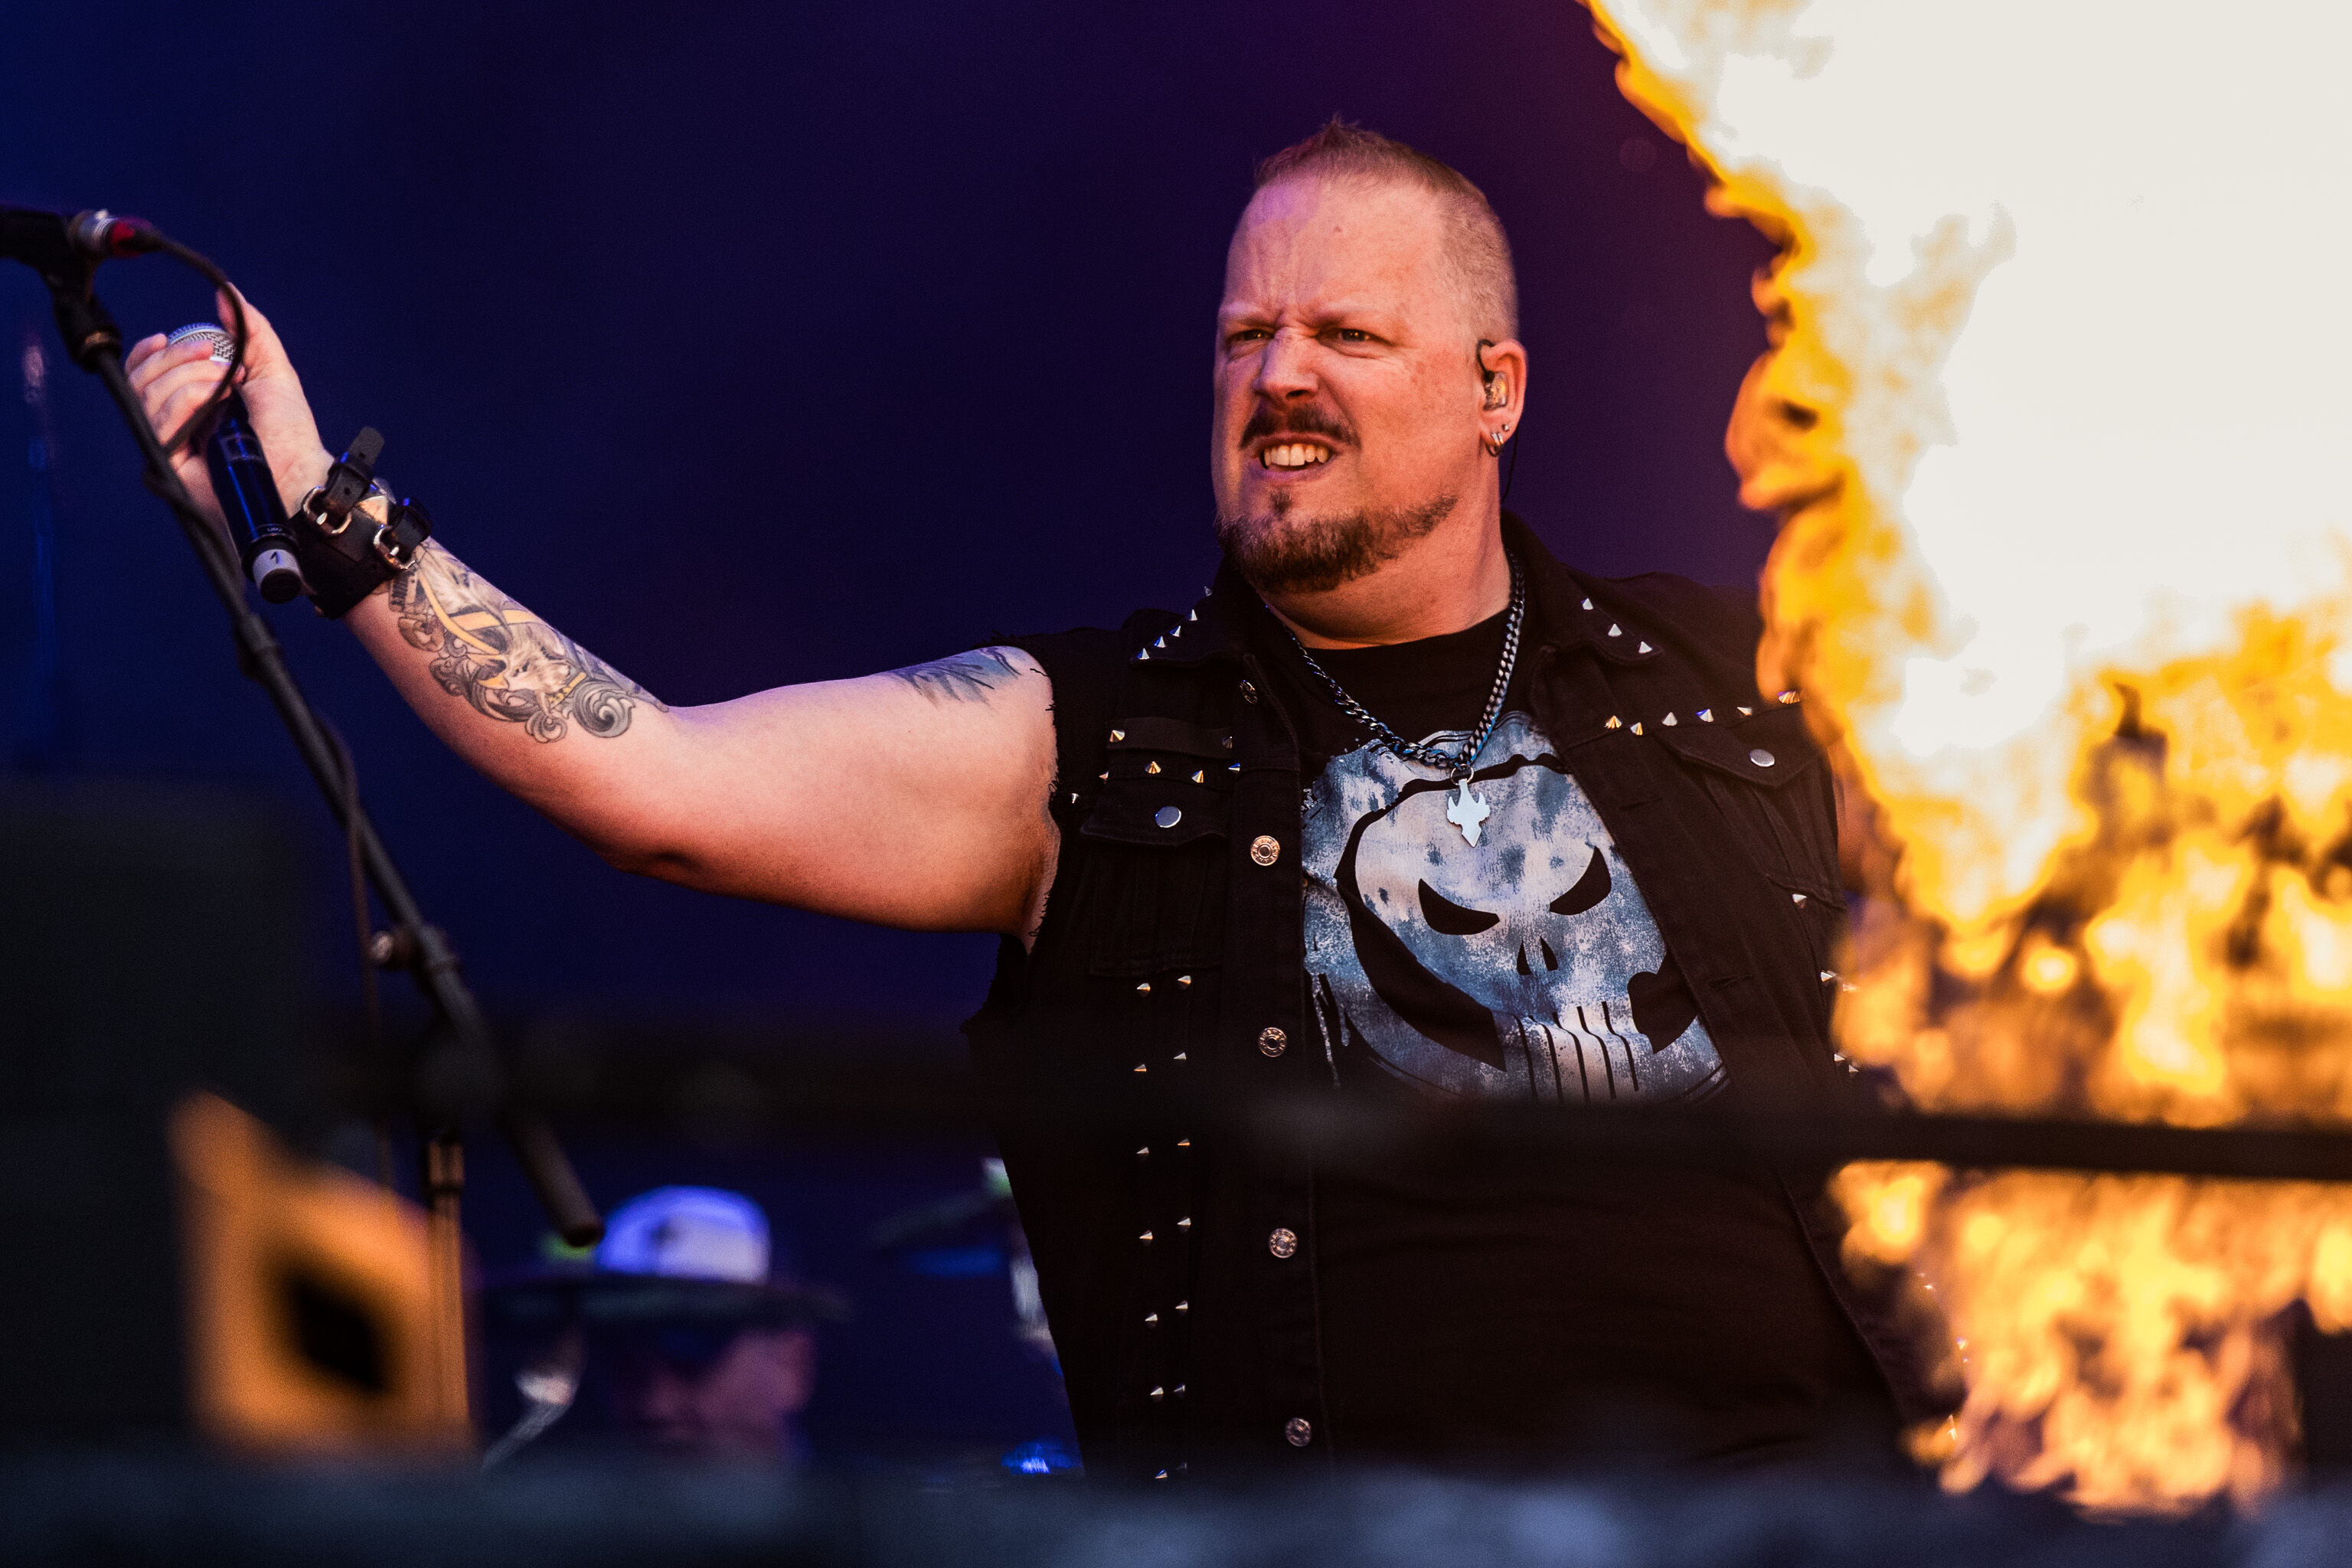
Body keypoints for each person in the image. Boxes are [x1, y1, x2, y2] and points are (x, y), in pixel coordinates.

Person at [129, 120, 1950, 1478]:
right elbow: (652, 774)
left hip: (1813, 1519)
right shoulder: (1093, 741)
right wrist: (327, 513)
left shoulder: (1754, 672)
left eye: (1345, 332)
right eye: (1242, 336)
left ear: (1496, 389)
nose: (1278, 375)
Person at [479, 1185, 832, 1462]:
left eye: (691, 1352)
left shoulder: (859, 1526)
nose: (654, 1405)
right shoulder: (559, 1531)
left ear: (792, 1365)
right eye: (621, 1362)